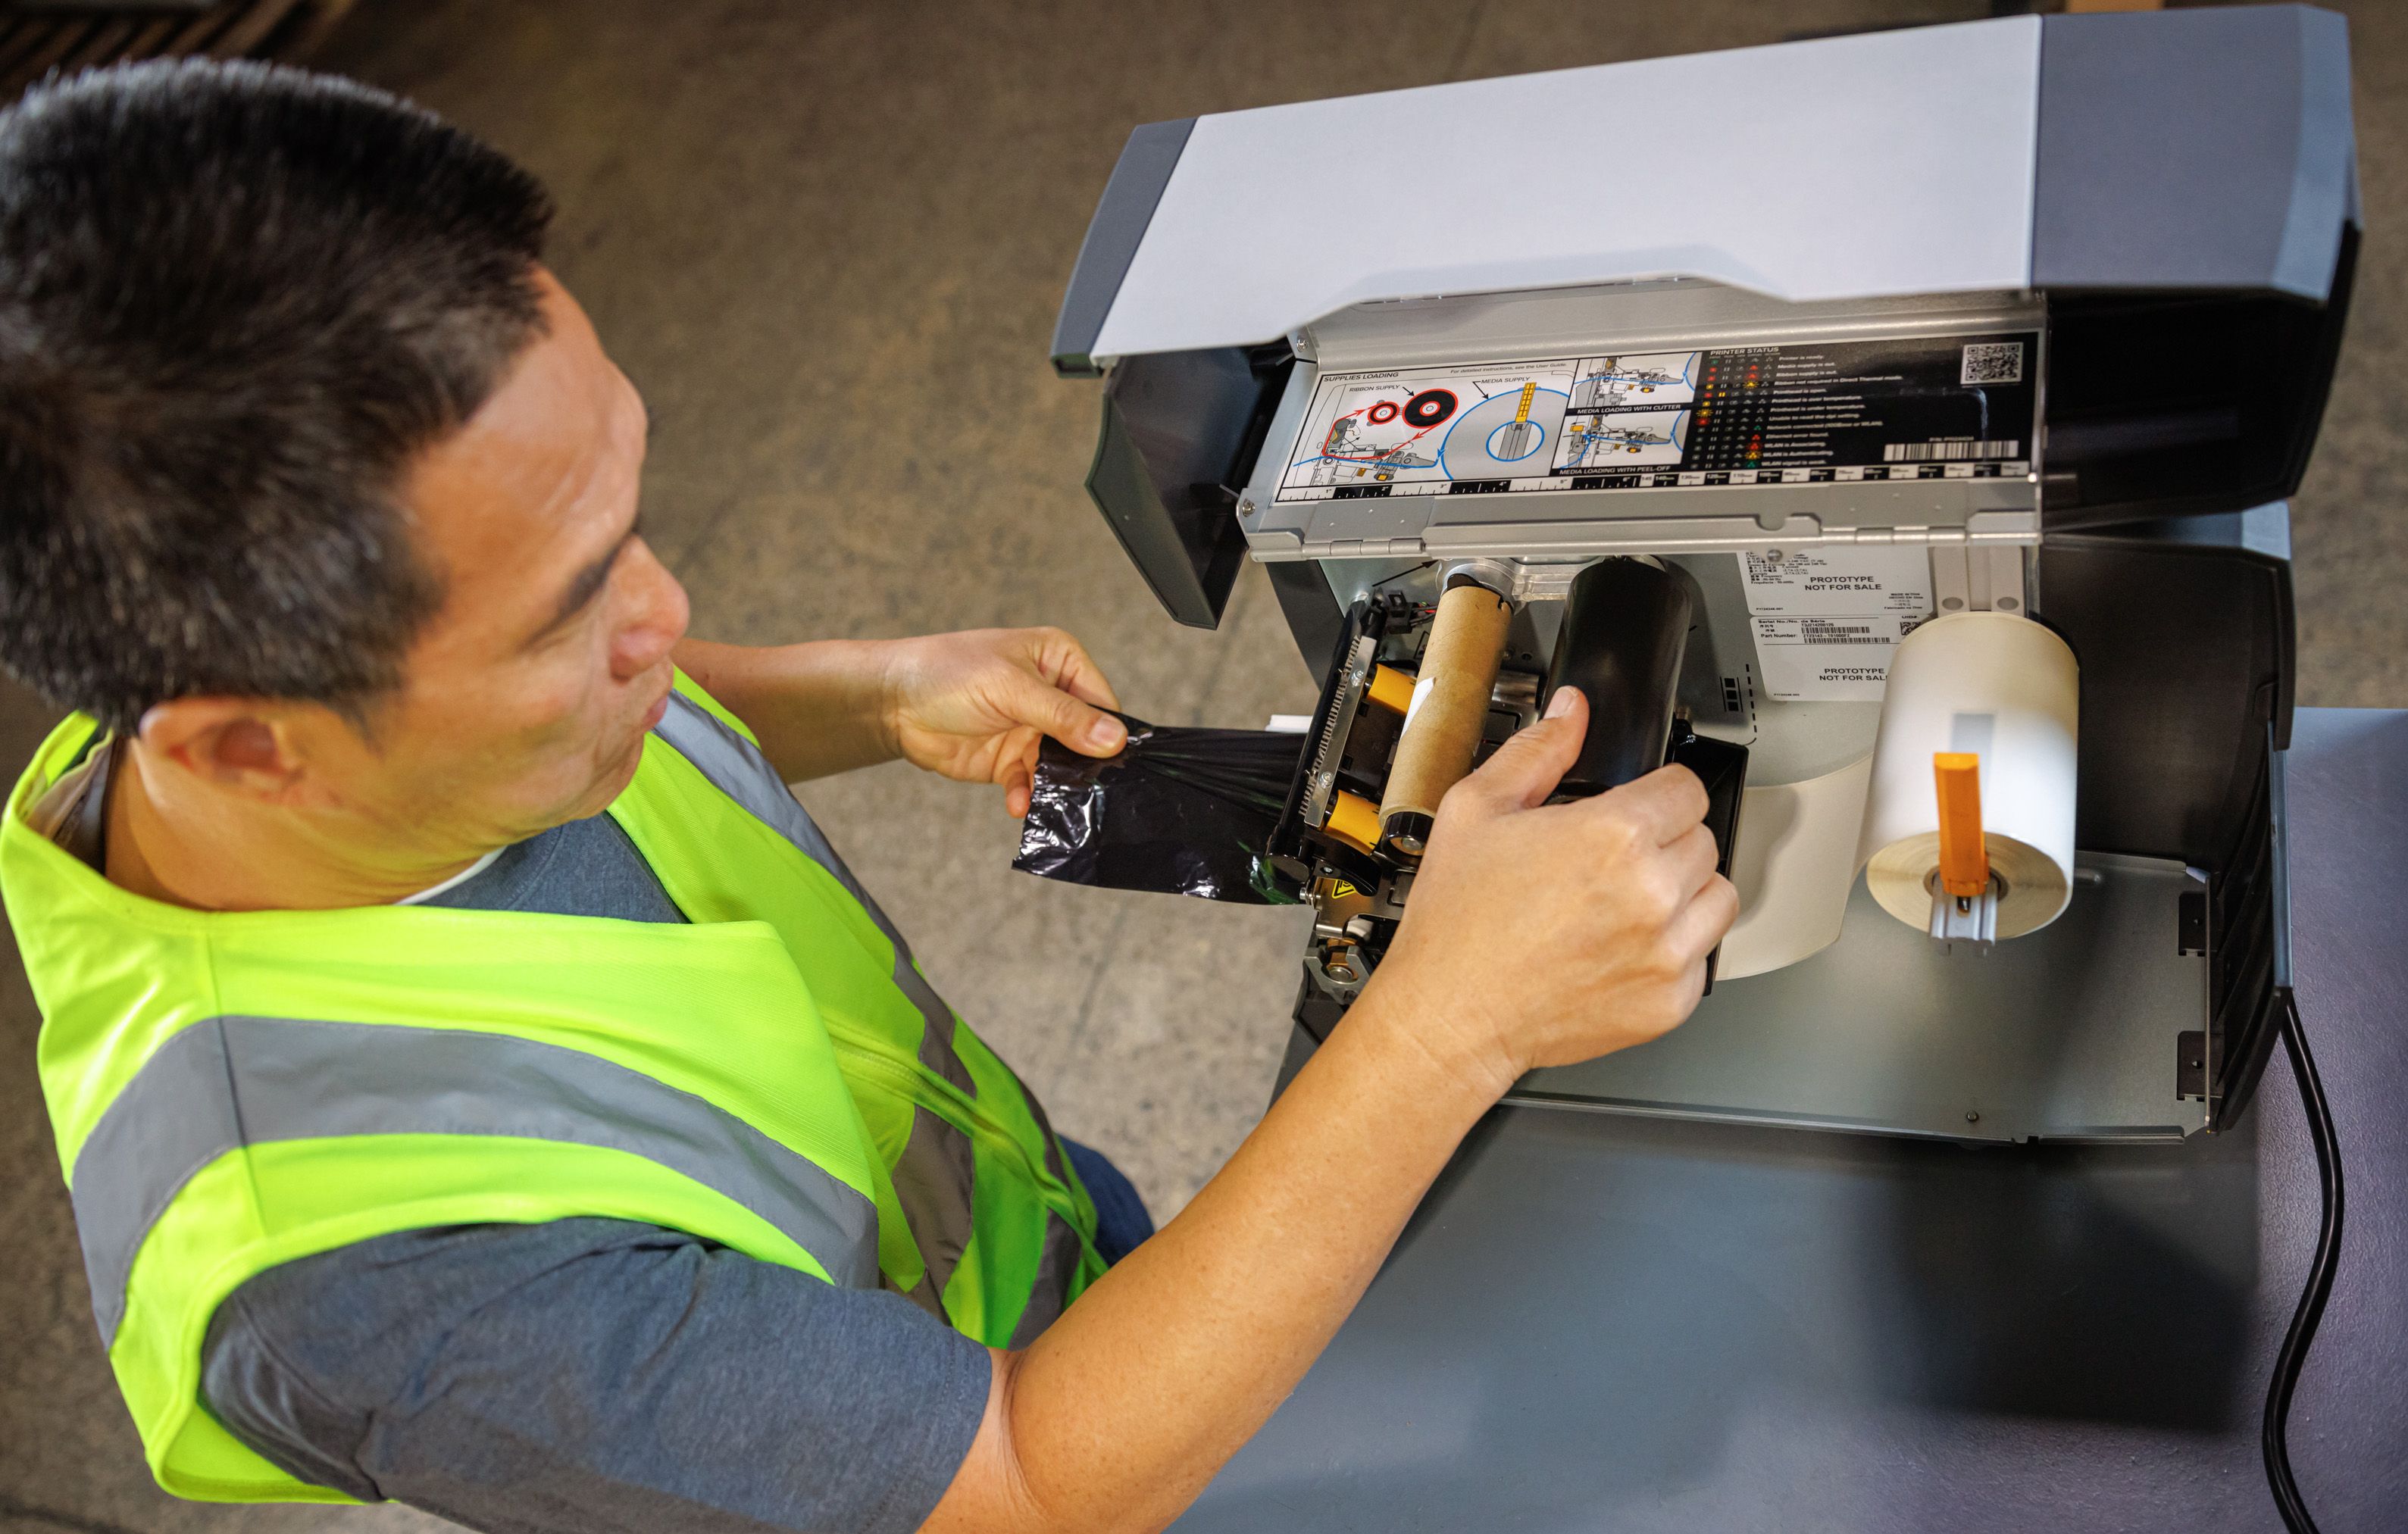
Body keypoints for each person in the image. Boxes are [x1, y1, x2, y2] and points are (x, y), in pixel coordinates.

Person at [0, 58, 1736, 1534]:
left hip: (1024, 1231)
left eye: (629, 515)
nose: (664, 619)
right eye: (571, 606)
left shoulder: (274, 740)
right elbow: (1032, 1474)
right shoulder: (375, 1281)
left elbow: (618, 706)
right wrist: (1445, 1026)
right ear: (245, 743)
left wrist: (867, 690)